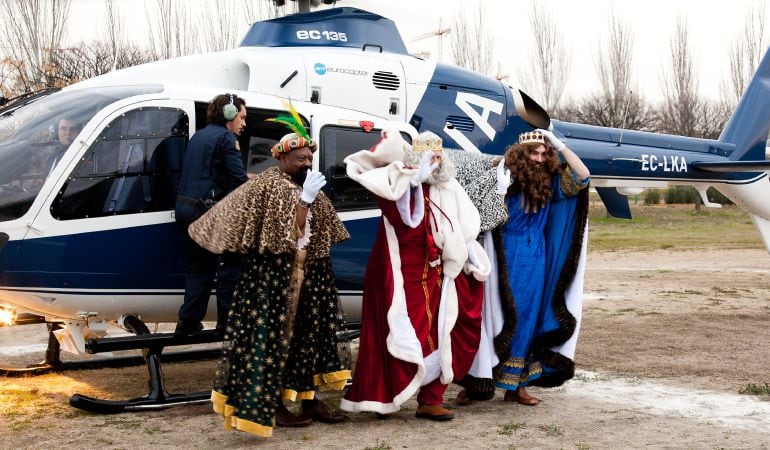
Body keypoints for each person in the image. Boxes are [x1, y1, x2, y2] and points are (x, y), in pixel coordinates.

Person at [188, 122, 352, 437]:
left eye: (309, 158)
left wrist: (311, 197)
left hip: (309, 277)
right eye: (300, 159)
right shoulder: (271, 184)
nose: (306, 164)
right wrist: (304, 200)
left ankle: (309, 400)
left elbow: (326, 229)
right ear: (282, 159)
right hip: (275, 279)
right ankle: (274, 404)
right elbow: (288, 235)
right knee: (275, 342)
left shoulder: (308, 184)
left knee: (308, 341)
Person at [340, 130, 491, 421]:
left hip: (439, 274)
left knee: (441, 331)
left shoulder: (449, 186)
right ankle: (384, 396)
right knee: (397, 330)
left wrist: (468, 256)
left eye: (437, 156)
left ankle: (430, 398)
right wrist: (413, 181)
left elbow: (466, 225)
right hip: (400, 274)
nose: (434, 162)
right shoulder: (400, 183)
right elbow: (402, 219)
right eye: (427, 156)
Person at [457, 128, 590, 405]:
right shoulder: (501, 175)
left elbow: (583, 175)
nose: (540, 158)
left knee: (527, 316)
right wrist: (497, 188)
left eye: (544, 153)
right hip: (501, 252)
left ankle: (516, 386)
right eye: (534, 152)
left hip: (534, 256)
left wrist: (560, 145)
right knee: (491, 315)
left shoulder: (550, 182)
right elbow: (475, 206)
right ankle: (477, 381)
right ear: (521, 153)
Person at [174, 93, 249, 336]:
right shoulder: (226, 138)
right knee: (232, 264)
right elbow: (238, 179)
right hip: (206, 212)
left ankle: (188, 322)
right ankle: (227, 324)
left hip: (186, 209)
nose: (244, 123)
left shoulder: (200, 135)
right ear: (229, 114)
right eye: (242, 117)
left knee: (200, 268)